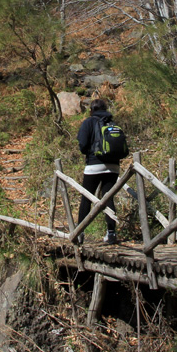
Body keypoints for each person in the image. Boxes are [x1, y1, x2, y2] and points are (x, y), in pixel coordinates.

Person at [76, 98, 120, 245]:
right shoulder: (112, 122)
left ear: (92, 110)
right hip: (113, 166)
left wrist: (89, 152)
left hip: (94, 166)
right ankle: (111, 234)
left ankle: (79, 233)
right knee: (108, 198)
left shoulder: (89, 122)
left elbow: (82, 144)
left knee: (86, 199)